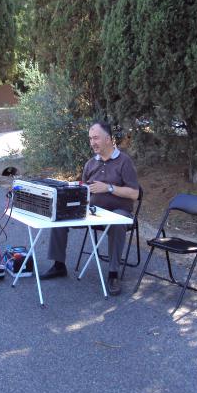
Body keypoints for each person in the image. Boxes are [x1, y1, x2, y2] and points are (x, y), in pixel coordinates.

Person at [41, 121, 140, 295]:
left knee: (117, 223)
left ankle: (113, 274)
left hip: (118, 211)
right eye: (90, 139)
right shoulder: (90, 164)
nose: (92, 142)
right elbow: (83, 190)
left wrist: (108, 188)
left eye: (96, 138)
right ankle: (58, 265)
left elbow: (134, 193)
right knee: (59, 214)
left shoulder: (124, 162)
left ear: (108, 139)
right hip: (92, 211)